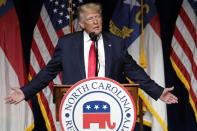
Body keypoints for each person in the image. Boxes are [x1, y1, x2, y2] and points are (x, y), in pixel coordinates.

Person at [5, 3, 178, 105]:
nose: (96, 21)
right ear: (81, 24)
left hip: (111, 105)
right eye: (90, 19)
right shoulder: (67, 44)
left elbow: (134, 71)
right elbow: (48, 72)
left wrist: (158, 91)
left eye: (98, 17)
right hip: (78, 106)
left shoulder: (116, 43)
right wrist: (25, 92)